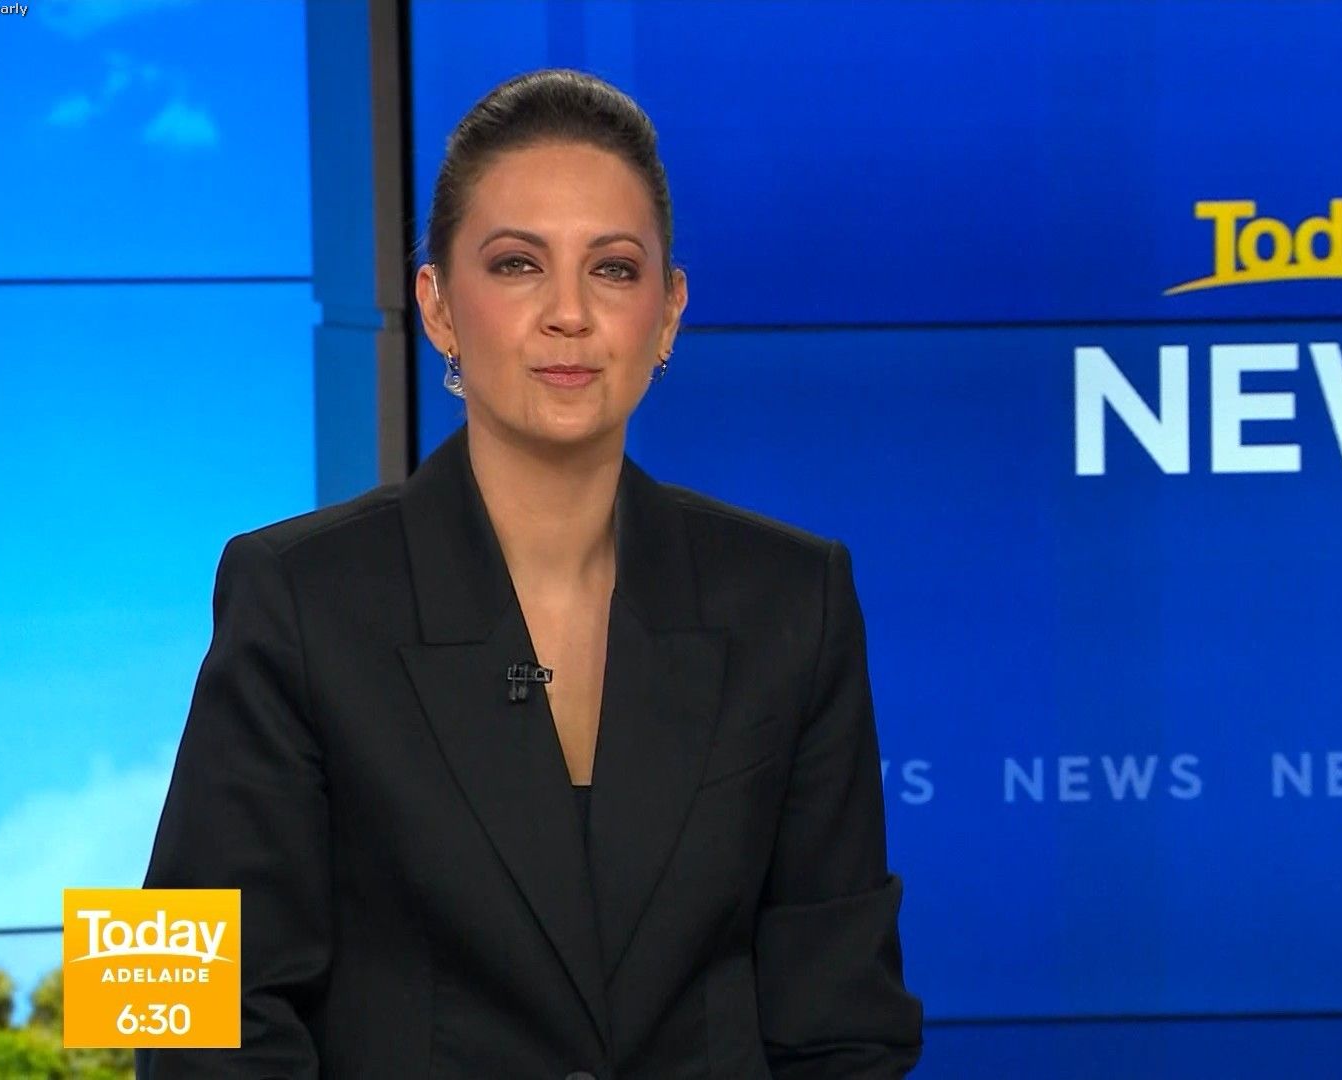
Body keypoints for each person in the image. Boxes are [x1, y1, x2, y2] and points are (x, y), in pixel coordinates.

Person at [136, 68, 923, 1078]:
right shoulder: (286, 590)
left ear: (668, 312)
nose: (568, 314)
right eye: (516, 265)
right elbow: (177, 1011)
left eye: (614, 270)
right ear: (437, 305)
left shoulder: (794, 598)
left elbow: (847, 1023)